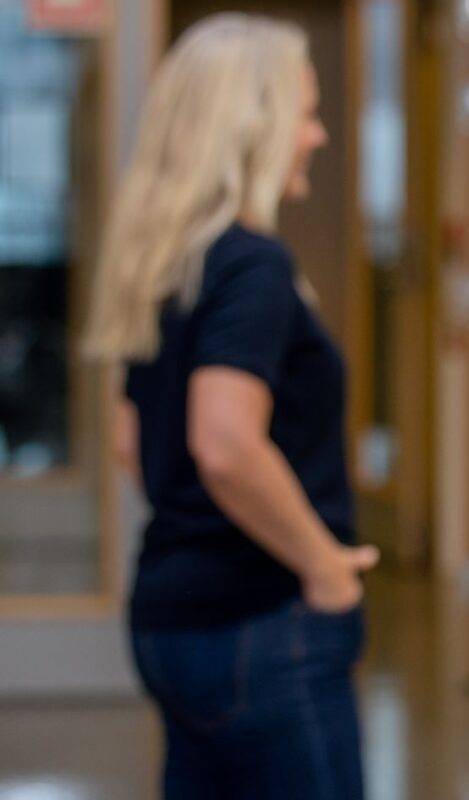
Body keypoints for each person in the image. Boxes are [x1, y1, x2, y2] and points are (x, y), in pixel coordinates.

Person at [83, 14, 374, 800]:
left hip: (168, 619)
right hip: (262, 622)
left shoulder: (167, 262)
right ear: (255, 126)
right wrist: (325, 569)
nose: (315, 135)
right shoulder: (255, 265)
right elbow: (223, 444)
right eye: (305, 114)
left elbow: (128, 440)